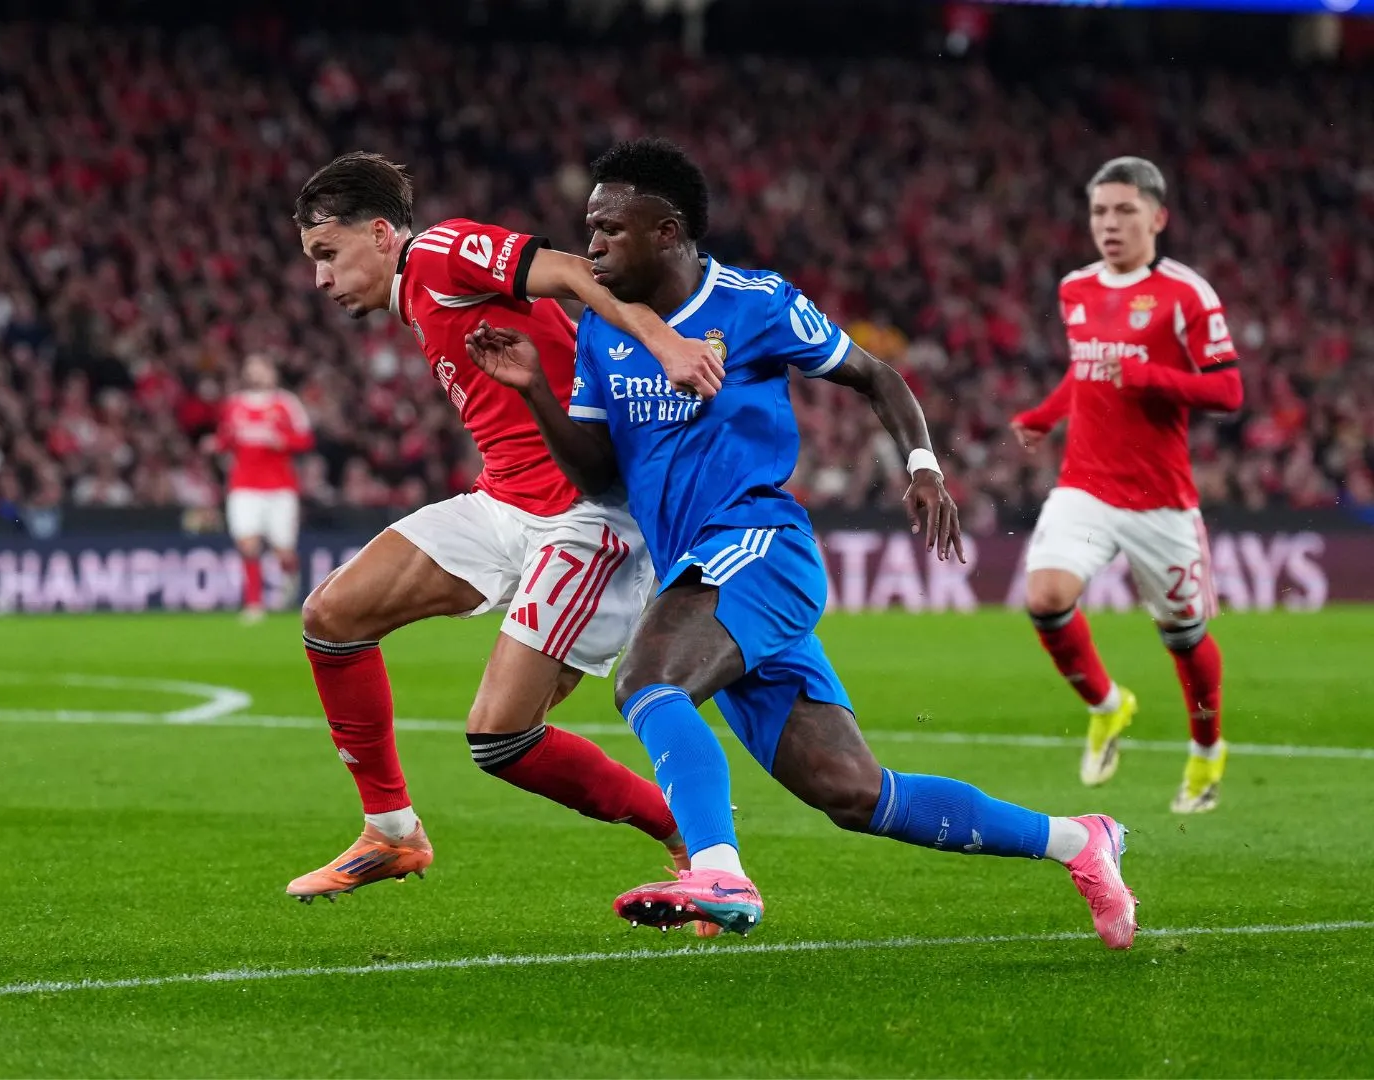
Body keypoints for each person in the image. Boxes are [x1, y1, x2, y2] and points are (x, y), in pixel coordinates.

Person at [467, 137, 1137, 948]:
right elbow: (599, 477)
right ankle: (1082, 841)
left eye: (610, 227)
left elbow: (875, 376)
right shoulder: (605, 336)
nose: (592, 243)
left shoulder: (754, 302)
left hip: (758, 546)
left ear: (668, 232)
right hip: (695, 569)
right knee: (855, 794)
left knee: (647, 680)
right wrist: (535, 389)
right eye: (589, 226)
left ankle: (716, 870)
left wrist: (922, 465)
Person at [285, 151, 727, 906]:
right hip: (503, 503)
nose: (320, 277)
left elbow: (575, 273)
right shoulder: (419, 294)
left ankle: (686, 835)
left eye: (328, 254)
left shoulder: (442, 252)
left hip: (586, 520)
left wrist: (666, 344)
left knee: (501, 739)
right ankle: (390, 831)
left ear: (384, 233)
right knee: (332, 617)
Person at [1012, 156, 1244, 814]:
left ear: (1158, 218)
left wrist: (1153, 378)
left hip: (1162, 501)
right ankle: (1108, 705)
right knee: (1045, 596)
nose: (1109, 224)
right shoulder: (1075, 289)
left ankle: (1206, 750)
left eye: (1124, 211)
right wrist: (1046, 415)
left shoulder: (1187, 295)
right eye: (1099, 212)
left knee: (1186, 637)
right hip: (1084, 484)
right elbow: (1088, 373)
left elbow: (1229, 389)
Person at [217, 354, 314, 623]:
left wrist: (282, 441)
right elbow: (224, 439)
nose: (256, 374)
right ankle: (254, 604)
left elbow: (305, 440)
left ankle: (290, 575)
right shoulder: (234, 404)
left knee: (283, 550)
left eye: (261, 368)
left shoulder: (286, 403)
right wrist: (217, 444)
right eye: (252, 369)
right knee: (247, 543)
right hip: (244, 485)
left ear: (272, 373)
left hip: (280, 487)